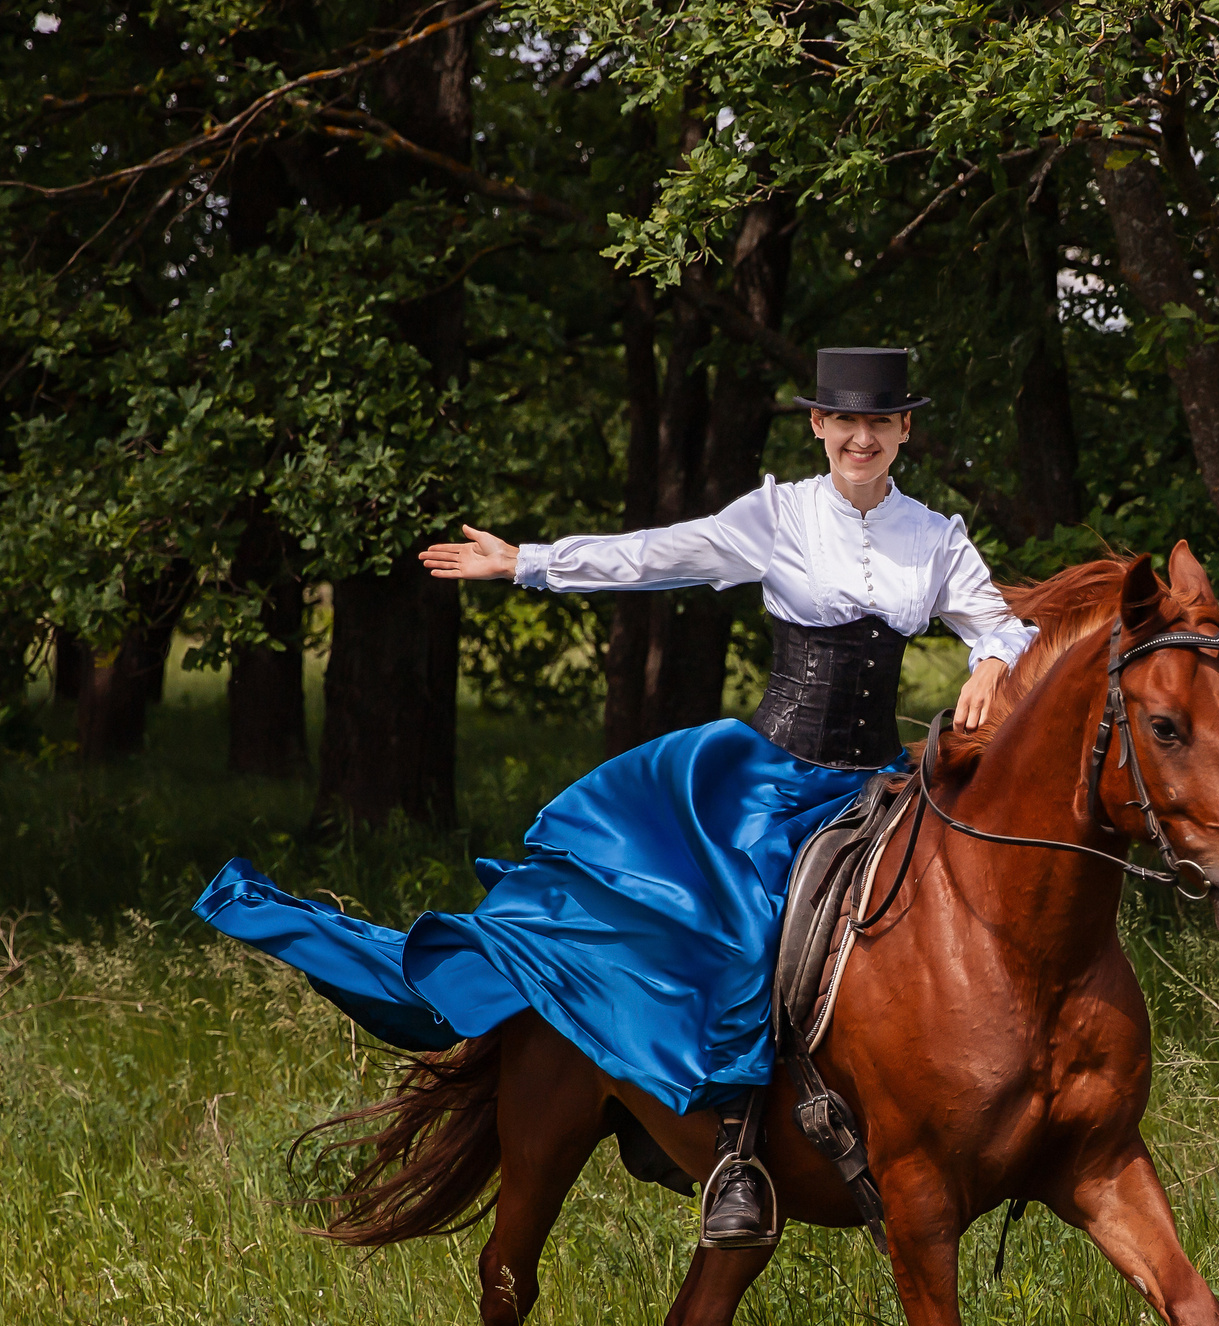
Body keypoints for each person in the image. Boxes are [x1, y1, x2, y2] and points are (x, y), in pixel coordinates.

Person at [194, 346, 1036, 1247]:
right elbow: (656, 556)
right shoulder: (780, 515)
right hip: (772, 782)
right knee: (745, 932)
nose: (861, 437)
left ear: (904, 429)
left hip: (878, 784)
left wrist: (991, 660)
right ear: (819, 427)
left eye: (880, 422)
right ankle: (738, 1150)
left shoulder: (937, 536)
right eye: (845, 421)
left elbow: (1002, 622)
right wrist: (527, 563)